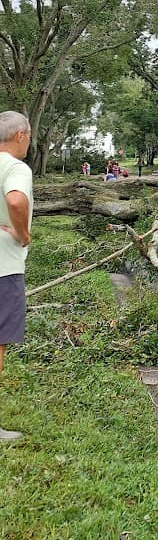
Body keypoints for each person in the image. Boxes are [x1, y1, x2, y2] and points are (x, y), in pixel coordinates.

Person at [0, 111, 33, 443]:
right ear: (20, 136)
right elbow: (15, 199)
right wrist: (22, 234)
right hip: (3, 268)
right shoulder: (14, 168)